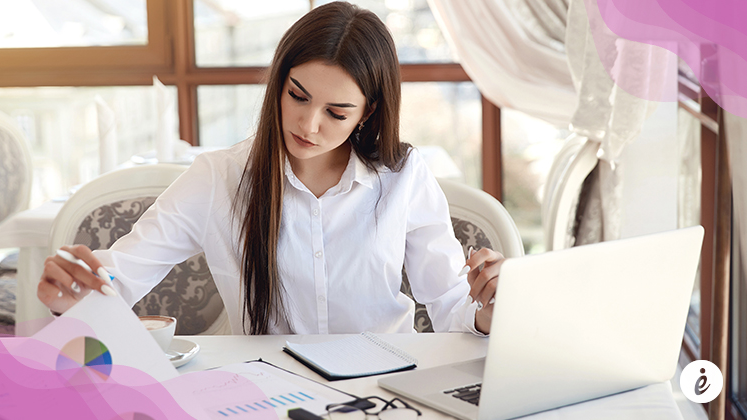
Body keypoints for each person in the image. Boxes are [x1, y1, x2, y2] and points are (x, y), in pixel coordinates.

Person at [37, 1, 506, 335]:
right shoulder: (218, 178)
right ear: (278, 82)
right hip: (268, 396)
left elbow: (450, 308)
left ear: (368, 111)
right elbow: (121, 275)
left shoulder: (402, 176)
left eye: (336, 113)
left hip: (383, 389)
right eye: (297, 95)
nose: (308, 124)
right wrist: (75, 297)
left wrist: (491, 309)